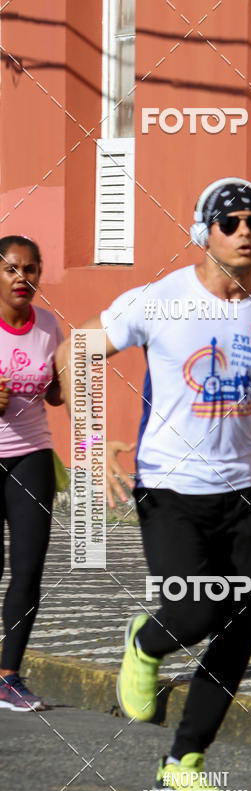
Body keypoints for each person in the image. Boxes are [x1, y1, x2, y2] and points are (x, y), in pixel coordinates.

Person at [57, 177, 251, 791]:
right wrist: (88, 438)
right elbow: (75, 350)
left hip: (247, 496)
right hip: (169, 491)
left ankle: (184, 760)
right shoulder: (158, 302)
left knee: (240, 626)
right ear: (203, 232)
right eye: (230, 221)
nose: (246, 232)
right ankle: (146, 640)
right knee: (197, 612)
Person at [0, 235, 64, 712]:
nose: (23, 278)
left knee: (28, 568)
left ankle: (8, 677)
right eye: (11, 269)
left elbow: (57, 393)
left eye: (31, 269)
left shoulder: (48, 326)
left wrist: (71, 374)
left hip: (33, 454)